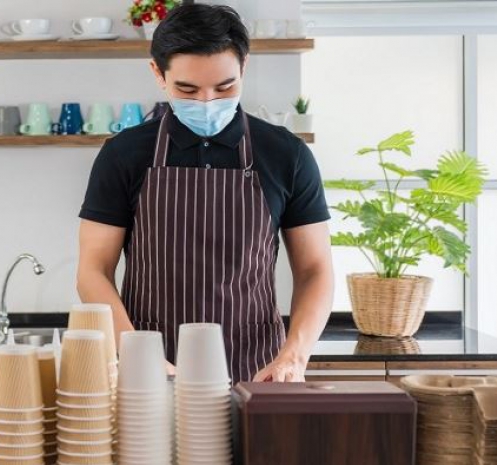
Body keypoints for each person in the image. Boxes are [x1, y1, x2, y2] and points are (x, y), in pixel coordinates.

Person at [76, 4, 334, 383]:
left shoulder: (287, 155)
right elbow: (93, 270)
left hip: (258, 371)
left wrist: (294, 355)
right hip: (152, 370)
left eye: (225, 86)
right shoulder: (124, 155)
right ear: (158, 75)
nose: (207, 101)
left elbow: (315, 269)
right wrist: (135, 351)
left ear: (244, 67)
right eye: (188, 89)